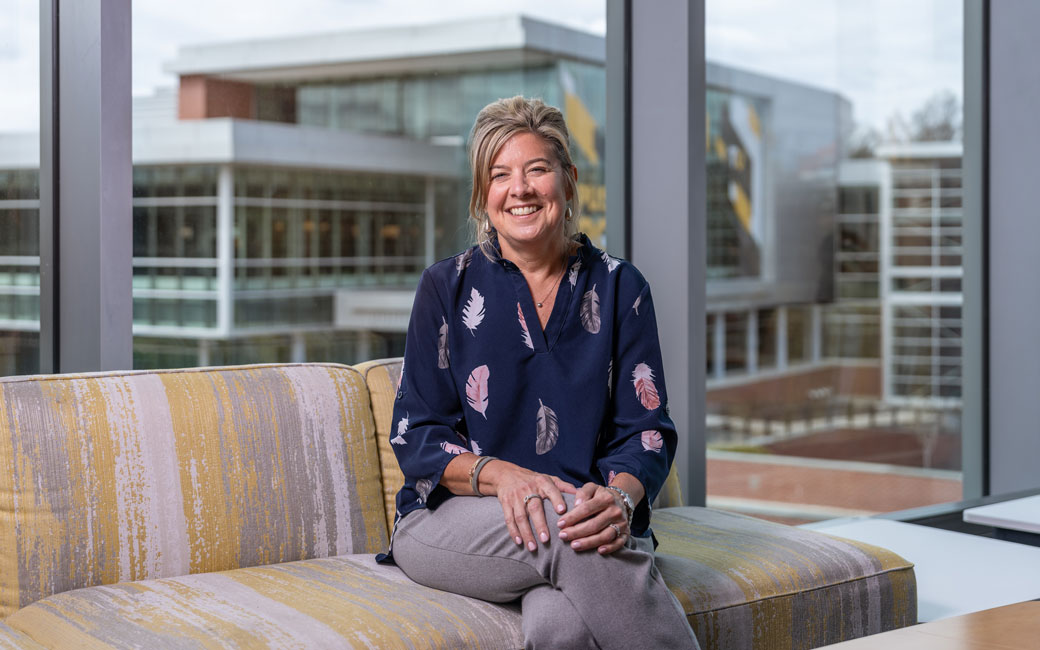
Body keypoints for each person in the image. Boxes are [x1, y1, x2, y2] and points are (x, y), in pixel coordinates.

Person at [383, 96, 699, 650]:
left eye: (537, 170)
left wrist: (619, 500)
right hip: (454, 521)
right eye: (500, 175)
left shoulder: (621, 287)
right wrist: (509, 478)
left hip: (593, 516)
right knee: (568, 531)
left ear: (569, 180)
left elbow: (647, 431)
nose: (520, 189)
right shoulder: (445, 287)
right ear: (483, 194)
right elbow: (418, 436)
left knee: (564, 626)